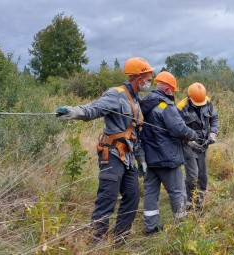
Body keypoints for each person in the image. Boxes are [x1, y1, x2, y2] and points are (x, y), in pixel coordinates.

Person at [56, 57, 154, 245]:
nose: (150, 81)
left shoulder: (137, 101)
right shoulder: (116, 94)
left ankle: (119, 240)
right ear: (138, 77)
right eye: (148, 77)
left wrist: (141, 160)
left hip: (129, 157)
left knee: (132, 198)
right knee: (107, 200)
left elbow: (135, 135)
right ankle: (96, 243)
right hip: (112, 155)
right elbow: (94, 109)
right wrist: (73, 112)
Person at [140, 71, 198, 235]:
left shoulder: (144, 104)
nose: (173, 93)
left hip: (149, 158)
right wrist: (193, 135)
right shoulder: (165, 106)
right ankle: (182, 228)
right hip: (167, 158)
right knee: (177, 192)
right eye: (172, 89)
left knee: (151, 192)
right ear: (167, 89)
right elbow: (178, 129)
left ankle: (151, 228)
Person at [177, 83, 219, 210]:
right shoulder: (180, 108)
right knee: (192, 175)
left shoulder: (207, 102)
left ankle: (199, 200)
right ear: (189, 98)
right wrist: (187, 140)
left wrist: (213, 133)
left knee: (202, 175)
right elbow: (177, 128)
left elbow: (214, 118)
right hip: (188, 145)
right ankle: (190, 202)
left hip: (204, 144)